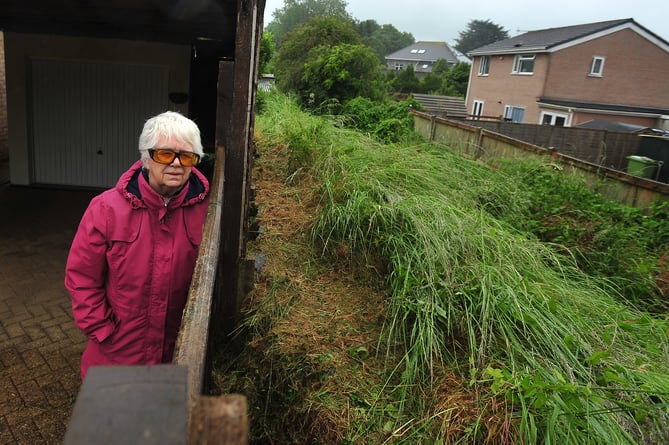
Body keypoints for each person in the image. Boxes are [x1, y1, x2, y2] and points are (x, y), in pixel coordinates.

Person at [65, 111, 210, 379]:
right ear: (146, 156)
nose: (176, 164)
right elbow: (81, 278)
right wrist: (102, 330)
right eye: (165, 154)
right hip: (117, 355)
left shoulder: (209, 211)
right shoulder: (106, 209)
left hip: (179, 353)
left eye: (186, 156)